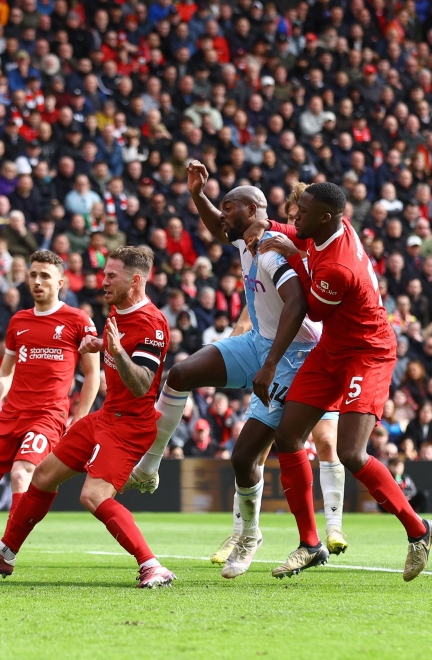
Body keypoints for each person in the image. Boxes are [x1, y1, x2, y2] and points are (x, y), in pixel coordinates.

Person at [122, 164, 346, 580]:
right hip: (258, 340)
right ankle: (151, 465)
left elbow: (296, 305)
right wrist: (197, 196)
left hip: (293, 353)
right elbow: (215, 227)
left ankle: (253, 536)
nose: (221, 215)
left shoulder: (270, 249)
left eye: (229, 207)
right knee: (180, 375)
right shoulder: (246, 238)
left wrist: (271, 363)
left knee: (246, 457)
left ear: (253, 210)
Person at [0, 246, 177, 589]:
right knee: (43, 475)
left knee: (93, 496)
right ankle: (4, 552)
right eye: (104, 274)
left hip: (129, 425)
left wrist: (114, 350)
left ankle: (152, 565)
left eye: (111, 276)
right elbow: (118, 347)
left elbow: (142, 383)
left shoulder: (151, 323)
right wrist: (101, 345)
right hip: (104, 417)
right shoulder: (116, 312)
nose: (103, 281)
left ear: (134, 280)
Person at [249, 182, 432, 581]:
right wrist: (270, 227)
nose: (296, 216)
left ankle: (419, 530)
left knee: (351, 453)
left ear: (327, 217)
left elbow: (313, 312)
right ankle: (309, 544)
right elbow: (296, 235)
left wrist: (291, 256)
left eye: (303, 211)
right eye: (296, 209)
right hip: (334, 349)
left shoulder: (338, 266)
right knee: (288, 436)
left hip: (368, 354)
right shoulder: (327, 226)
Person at [0, 250, 100, 554]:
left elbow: (92, 377)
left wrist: (79, 420)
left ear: (61, 281)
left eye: (44, 276)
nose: (37, 281)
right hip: (9, 415)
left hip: (48, 416)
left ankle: (6, 551)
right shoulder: (18, 321)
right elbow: (4, 374)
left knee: (22, 473)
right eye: (33, 275)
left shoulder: (78, 321)